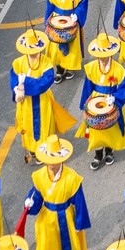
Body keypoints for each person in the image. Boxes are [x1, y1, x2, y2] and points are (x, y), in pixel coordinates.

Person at [25, 135, 91, 250]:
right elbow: (36, 195)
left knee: (65, 247)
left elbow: (79, 201)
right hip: (46, 218)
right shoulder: (40, 176)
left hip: (65, 217)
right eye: (48, 160)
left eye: (54, 160)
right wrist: (30, 202)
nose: (51, 164)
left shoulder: (72, 178)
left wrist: (79, 223)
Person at [10, 28, 76, 161]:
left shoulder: (46, 62)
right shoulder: (18, 63)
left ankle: (43, 149)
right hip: (26, 101)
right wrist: (17, 89)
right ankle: (32, 149)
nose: (33, 53)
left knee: (44, 124)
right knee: (27, 124)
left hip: (42, 99)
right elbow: (14, 79)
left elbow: (45, 82)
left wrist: (25, 82)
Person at [75, 33, 125, 170]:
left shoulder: (118, 69)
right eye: (99, 56)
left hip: (111, 100)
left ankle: (109, 151)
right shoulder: (91, 67)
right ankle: (97, 155)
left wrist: (115, 98)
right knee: (96, 129)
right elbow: (88, 87)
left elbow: (123, 88)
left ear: (110, 54)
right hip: (95, 100)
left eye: (104, 55)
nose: (102, 58)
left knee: (110, 128)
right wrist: (85, 105)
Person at [43, 0, 88, 82]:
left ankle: (69, 68)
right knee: (55, 47)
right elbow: (49, 7)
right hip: (56, 20)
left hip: (71, 19)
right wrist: (46, 22)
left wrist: (77, 14)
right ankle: (59, 70)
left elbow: (83, 3)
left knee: (72, 45)